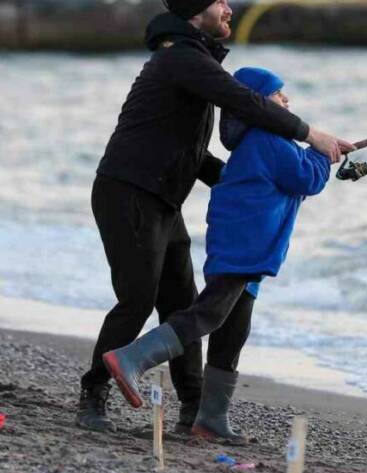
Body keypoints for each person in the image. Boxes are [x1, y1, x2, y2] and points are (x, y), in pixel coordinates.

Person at [78, 0, 353, 431]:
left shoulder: (192, 62)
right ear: (196, 12)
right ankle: (93, 395)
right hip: (127, 191)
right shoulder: (182, 59)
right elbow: (245, 101)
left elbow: (192, 152)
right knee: (137, 299)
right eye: (222, 2)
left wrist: (242, 184)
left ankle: (194, 411)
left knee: (181, 302)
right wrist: (312, 134)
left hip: (162, 199)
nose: (229, 10)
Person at [103, 66, 330, 444]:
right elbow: (306, 177)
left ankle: (211, 419)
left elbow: (296, 176)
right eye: (277, 95)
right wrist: (323, 154)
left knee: (233, 331)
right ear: (257, 103)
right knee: (210, 313)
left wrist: (320, 154)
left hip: (250, 248)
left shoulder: (266, 140)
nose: (286, 101)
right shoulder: (267, 138)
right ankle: (132, 358)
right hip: (244, 245)